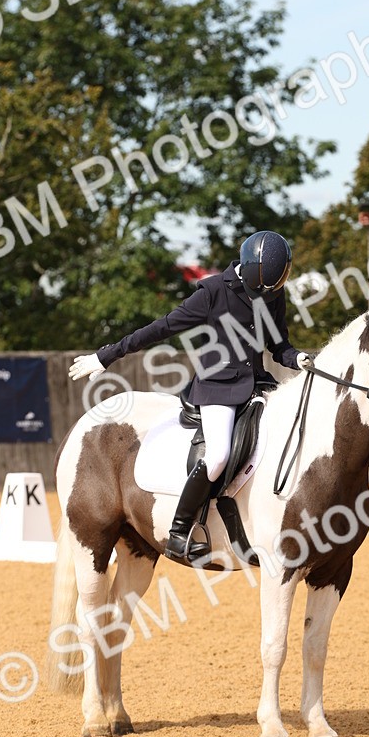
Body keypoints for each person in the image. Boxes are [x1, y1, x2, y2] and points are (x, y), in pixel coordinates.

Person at [68, 230, 312, 565]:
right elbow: (162, 328)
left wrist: (297, 358)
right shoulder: (212, 292)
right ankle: (181, 529)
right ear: (251, 268)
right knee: (218, 456)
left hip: (258, 384)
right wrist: (106, 356)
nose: (270, 292)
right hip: (218, 388)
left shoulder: (272, 294)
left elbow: (279, 345)